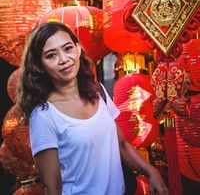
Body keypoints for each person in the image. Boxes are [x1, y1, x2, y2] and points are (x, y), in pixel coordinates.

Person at [16, 22, 168, 195]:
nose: (63, 59)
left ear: (78, 49)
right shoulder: (43, 115)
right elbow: (53, 187)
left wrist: (151, 172)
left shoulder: (97, 91)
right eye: (51, 55)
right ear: (38, 66)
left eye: (67, 48)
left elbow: (122, 145)